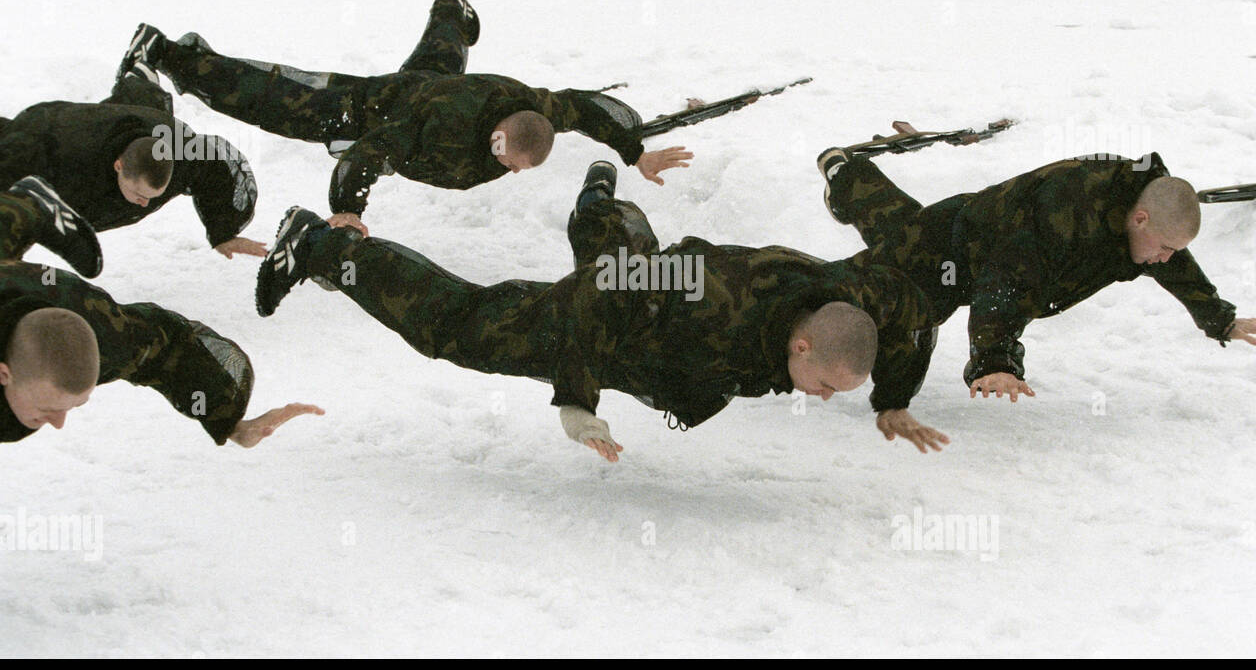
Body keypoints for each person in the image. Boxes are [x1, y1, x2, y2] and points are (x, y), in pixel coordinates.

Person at [254, 161, 941, 461]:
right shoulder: (714, 296)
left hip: (654, 309)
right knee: (457, 328)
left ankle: (598, 204)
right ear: (801, 349)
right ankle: (319, 244)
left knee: (631, 264)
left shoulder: (860, 303)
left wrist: (892, 398)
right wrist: (577, 403)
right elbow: (596, 298)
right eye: (826, 387)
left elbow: (917, 313)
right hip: (609, 324)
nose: (823, 400)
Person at [122, 0, 693, 233]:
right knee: (268, 100)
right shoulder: (435, 132)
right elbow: (365, 155)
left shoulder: (532, 107)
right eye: (504, 158)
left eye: (514, 169)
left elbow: (588, 106)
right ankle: (171, 54)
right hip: (368, 109)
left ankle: (451, 2)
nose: (505, 169)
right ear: (497, 134)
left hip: (430, 84)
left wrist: (634, 150)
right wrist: (349, 209)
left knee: (441, 51)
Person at [817, 147, 1256, 449]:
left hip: (974, 238)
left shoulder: (1140, 221)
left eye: (1172, 251)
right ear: (1140, 219)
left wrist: (1220, 320)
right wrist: (994, 360)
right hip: (956, 250)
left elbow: (1175, 261)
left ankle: (846, 173)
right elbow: (1005, 283)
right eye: (1163, 247)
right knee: (865, 293)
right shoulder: (1064, 217)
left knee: (899, 232)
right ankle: (785, 276)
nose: (1165, 259)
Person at [0, 177, 321, 445]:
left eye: (73, 406)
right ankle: (29, 206)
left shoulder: (107, 337)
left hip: (42, 290)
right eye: (46, 407)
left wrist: (228, 421)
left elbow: (169, 345)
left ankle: (27, 206)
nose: (59, 424)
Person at [0, 53, 263, 262]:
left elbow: (217, 172)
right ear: (119, 166)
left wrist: (222, 232)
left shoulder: (184, 154)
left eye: (152, 196)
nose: (143, 203)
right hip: (49, 131)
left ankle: (141, 76)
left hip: (142, 120)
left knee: (138, 107)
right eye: (139, 193)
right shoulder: (63, 154)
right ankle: (139, 80)